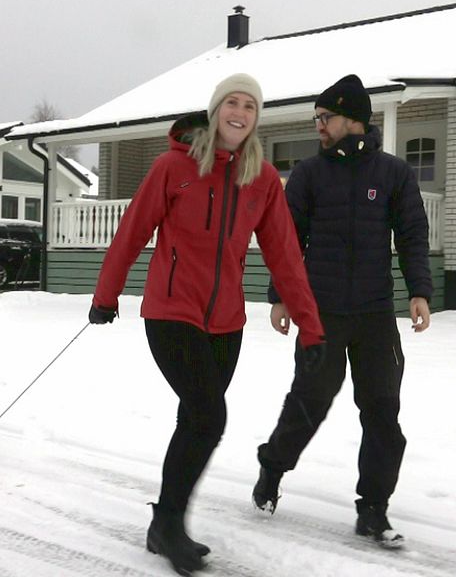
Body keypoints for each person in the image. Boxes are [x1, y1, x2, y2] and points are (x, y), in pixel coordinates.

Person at [88, 73, 325, 575]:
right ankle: (170, 523)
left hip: (226, 321)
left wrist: (311, 323)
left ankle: (164, 524)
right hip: (172, 312)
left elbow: (285, 254)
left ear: (257, 118)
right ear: (216, 109)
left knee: (195, 419)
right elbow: (133, 230)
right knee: (208, 415)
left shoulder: (261, 179)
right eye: (232, 103)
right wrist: (106, 294)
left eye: (250, 106)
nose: (240, 112)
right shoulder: (174, 166)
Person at [252, 74, 433, 548]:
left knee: (382, 413)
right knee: (309, 402)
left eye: (324, 117)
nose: (318, 126)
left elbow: (413, 234)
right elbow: (286, 241)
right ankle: (272, 468)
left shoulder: (394, 173)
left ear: (352, 119)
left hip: (374, 314)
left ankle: (373, 508)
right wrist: (281, 296)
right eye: (316, 118)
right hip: (321, 313)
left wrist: (420, 291)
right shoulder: (310, 175)